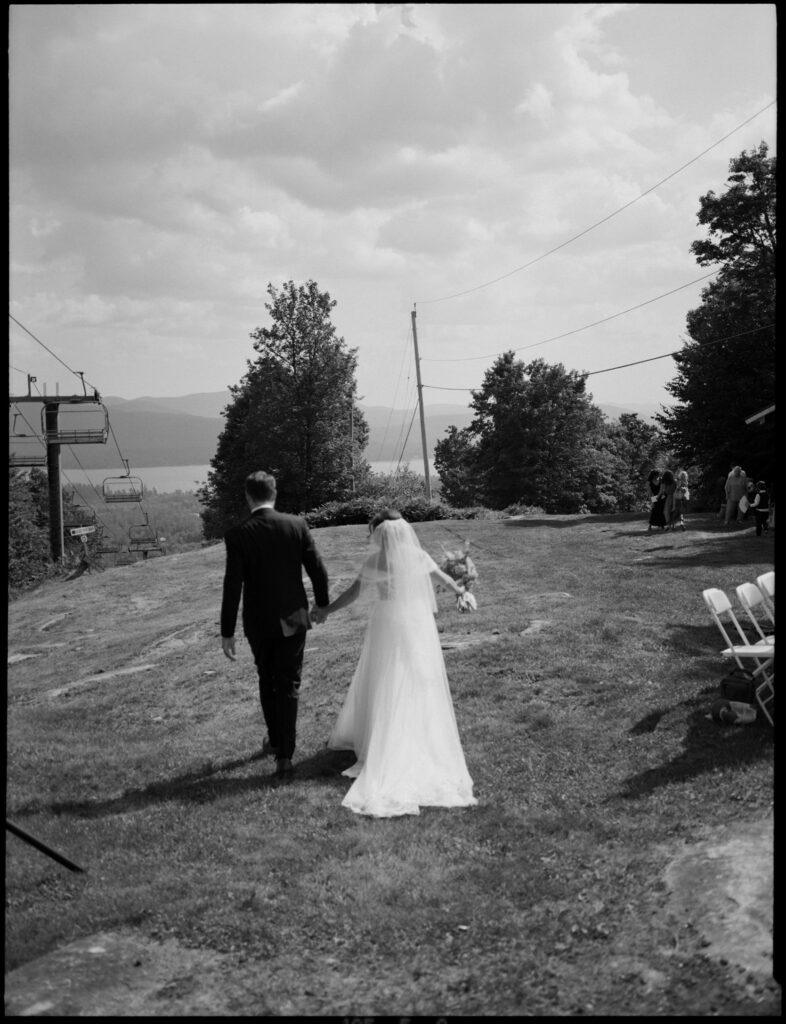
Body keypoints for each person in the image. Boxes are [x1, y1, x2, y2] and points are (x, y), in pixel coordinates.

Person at [316, 509, 477, 818]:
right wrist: (462, 593)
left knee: (386, 680)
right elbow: (443, 579)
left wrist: (325, 610)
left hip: (388, 625)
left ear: (379, 534)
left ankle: (387, 742)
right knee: (417, 679)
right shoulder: (417, 555)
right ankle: (418, 736)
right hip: (417, 624)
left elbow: (352, 593)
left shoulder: (375, 562)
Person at [220, 471, 330, 779]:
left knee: (267, 679)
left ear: (248, 497)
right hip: (294, 616)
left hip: (259, 620)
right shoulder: (296, 525)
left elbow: (233, 586)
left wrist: (227, 631)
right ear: (274, 494)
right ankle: (285, 755)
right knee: (289, 683)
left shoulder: (239, 534)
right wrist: (322, 604)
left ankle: (277, 739)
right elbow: (318, 571)